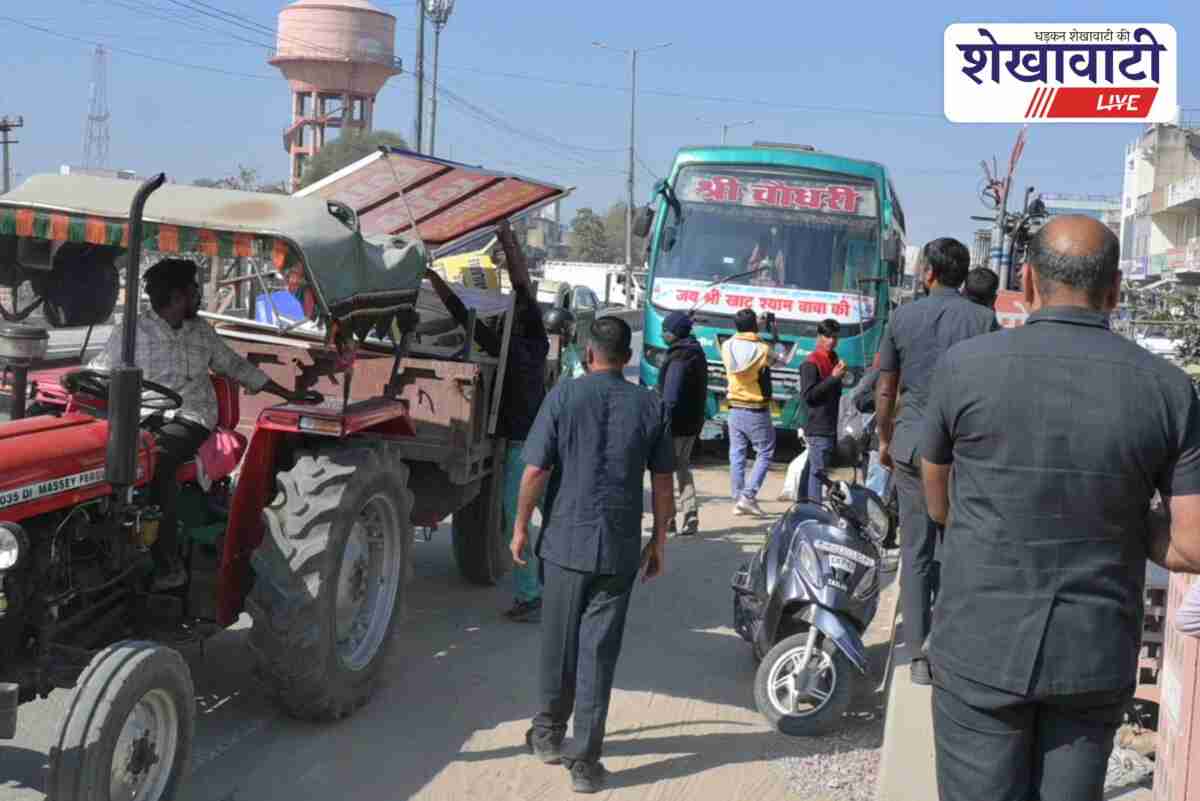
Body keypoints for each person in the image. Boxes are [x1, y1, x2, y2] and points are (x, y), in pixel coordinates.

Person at [920, 215, 1200, 801]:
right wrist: (1119, 515)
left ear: (1026, 282)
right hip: (1093, 651)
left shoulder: (964, 367)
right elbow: (1190, 545)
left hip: (979, 639)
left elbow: (937, 501)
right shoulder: (1170, 390)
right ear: (1115, 290)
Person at [512, 316, 674, 794]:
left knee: (557, 644)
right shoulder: (650, 406)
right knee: (598, 654)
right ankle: (584, 764)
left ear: (588, 353)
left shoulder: (564, 396)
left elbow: (535, 471)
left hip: (565, 544)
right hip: (617, 549)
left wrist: (520, 526)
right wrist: (659, 541)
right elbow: (663, 482)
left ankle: (547, 736)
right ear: (628, 357)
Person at [90, 258, 313, 591]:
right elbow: (100, 370)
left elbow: (236, 366)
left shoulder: (201, 332)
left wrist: (288, 393)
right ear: (178, 297)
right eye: (195, 291)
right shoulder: (132, 331)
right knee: (98, 455)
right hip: (143, 416)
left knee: (159, 458)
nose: (199, 297)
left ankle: (168, 564)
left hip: (190, 416)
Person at [875, 237, 997, 686]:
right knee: (958, 547)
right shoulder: (983, 320)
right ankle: (950, 645)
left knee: (917, 550)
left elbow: (886, 389)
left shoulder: (902, 317)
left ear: (928, 272)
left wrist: (885, 439)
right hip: (965, 449)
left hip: (912, 445)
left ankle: (917, 655)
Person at [425, 219, 550, 623]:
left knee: (520, 521)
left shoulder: (527, 340)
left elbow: (519, 284)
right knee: (541, 520)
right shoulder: (505, 345)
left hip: (528, 450)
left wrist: (507, 238)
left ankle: (533, 595)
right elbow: (463, 313)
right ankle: (546, 588)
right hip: (528, 447)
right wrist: (433, 279)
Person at [721, 308, 783, 516]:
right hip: (755, 409)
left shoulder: (727, 346)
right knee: (765, 452)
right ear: (755, 326)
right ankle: (748, 497)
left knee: (737, 453)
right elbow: (782, 360)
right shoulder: (763, 350)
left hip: (734, 407)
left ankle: (738, 497)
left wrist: (755, 327)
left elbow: (742, 337)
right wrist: (774, 334)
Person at [658, 310, 708, 536]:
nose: (662, 334)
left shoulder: (679, 357)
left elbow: (670, 395)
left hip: (675, 424)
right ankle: (690, 513)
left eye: (665, 331)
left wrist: (662, 420)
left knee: (665, 469)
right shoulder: (695, 351)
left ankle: (669, 518)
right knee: (682, 466)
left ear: (675, 333)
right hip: (692, 423)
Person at [798, 318, 846, 501]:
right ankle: (814, 508)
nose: (831, 341)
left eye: (835, 337)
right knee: (818, 473)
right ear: (819, 336)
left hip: (829, 423)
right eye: (827, 336)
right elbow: (809, 396)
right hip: (818, 425)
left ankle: (803, 504)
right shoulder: (811, 363)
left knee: (812, 469)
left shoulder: (834, 358)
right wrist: (833, 378)